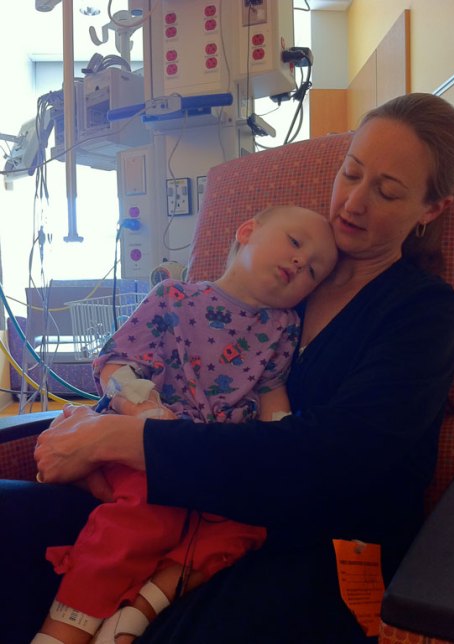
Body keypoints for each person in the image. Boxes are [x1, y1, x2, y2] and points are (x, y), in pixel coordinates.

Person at [0, 93, 454, 644]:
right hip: (166, 498)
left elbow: (334, 459)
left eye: (386, 191)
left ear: (431, 209)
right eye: (351, 173)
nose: (353, 202)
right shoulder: (281, 283)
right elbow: (152, 361)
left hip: (304, 545)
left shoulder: (424, 312)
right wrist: (100, 426)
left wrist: (127, 440)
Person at [31, 205, 339, 644]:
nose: (299, 261)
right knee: (148, 516)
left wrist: (281, 451)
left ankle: (138, 612)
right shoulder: (173, 298)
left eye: (313, 270)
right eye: (294, 242)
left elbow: (272, 393)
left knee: (251, 525)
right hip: (142, 445)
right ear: (247, 231)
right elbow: (116, 365)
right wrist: (151, 417)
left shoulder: (284, 328)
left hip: (215, 466)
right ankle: (63, 629)